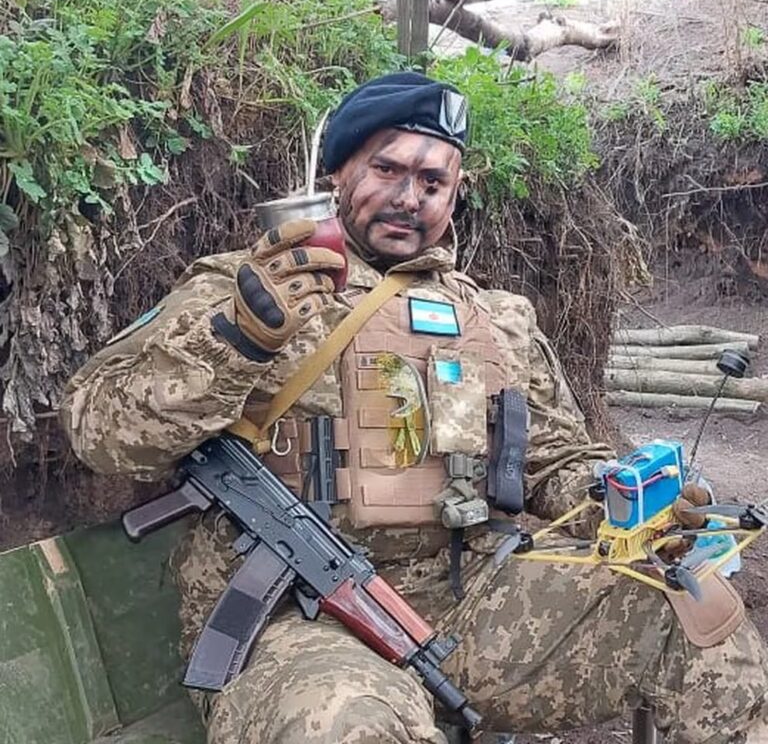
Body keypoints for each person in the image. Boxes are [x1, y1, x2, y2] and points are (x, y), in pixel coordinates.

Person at [60, 72, 768, 744]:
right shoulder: (252, 291)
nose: (410, 197)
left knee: (697, 611)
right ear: (338, 174)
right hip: (300, 624)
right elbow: (98, 428)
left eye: (433, 182)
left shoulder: (497, 318)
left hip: (480, 597)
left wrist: (625, 498)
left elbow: (553, 455)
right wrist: (235, 340)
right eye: (387, 170)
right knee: (345, 725)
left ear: (454, 195)